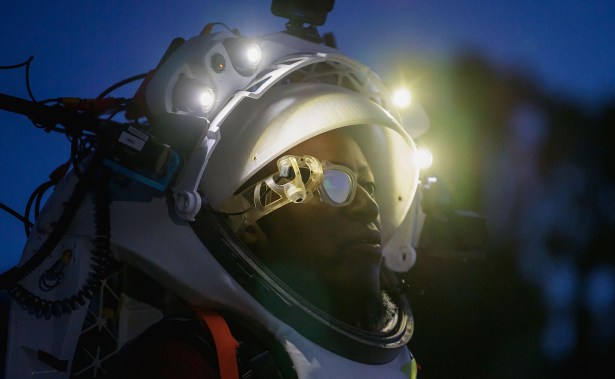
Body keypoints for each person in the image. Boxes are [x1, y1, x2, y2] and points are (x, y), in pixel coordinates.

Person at [5, 24, 422, 379]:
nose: (369, 207)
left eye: (370, 188)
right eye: (335, 183)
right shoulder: (189, 361)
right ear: (250, 224)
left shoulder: (401, 363)